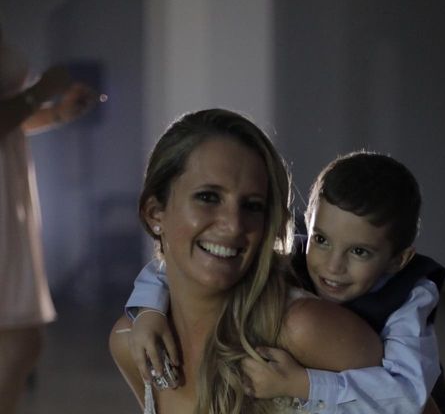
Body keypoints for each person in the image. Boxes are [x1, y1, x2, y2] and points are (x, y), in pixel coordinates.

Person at [124, 150, 445, 413]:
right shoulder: (293, 252)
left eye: (359, 251)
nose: (332, 266)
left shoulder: (410, 297)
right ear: (307, 223)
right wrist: (148, 310)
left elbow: (409, 398)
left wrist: (301, 384)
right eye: (321, 240)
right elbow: (180, 267)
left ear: (398, 259)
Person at [108, 109, 385, 414]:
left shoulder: (305, 329)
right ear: (154, 213)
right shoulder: (132, 344)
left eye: (252, 206)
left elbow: (407, 400)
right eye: (209, 197)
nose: (234, 225)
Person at [0, 0, 100, 412]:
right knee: (17, 342)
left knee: (22, 341)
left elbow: (9, 121)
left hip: (10, 185)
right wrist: (41, 90)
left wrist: (57, 113)